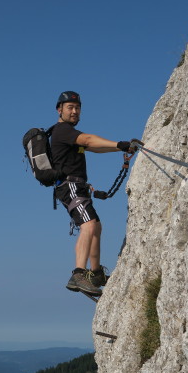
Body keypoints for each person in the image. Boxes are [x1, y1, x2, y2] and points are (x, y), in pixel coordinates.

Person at [50, 91, 138, 296]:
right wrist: (119, 144)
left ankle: (96, 273)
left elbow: (93, 147)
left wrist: (119, 149)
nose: (74, 111)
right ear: (59, 110)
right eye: (70, 107)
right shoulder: (62, 130)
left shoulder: (70, 135)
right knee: (88, 225)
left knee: (96, 226)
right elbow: (89, 140)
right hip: (70, 186)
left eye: (77, 107)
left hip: (78, 186)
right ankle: (78, 274)